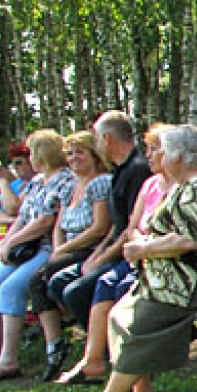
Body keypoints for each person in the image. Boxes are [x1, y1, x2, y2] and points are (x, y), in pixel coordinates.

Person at [63, 124, 197, 392]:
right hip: (174, 278)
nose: (156, 155)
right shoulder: (185, 186)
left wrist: (142, 250)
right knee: (117, 314)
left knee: (139, 324)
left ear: (179, 155)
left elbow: (188, 240)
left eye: (161, 149)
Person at [56, 123, 174, 386]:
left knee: (115, 290)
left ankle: (130, 372)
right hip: (135, 252)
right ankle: (95, 358)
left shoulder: (171, 184)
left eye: (155, 149)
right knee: (100, 283)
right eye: (149, 148)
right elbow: (127, 227)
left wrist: (131, 249)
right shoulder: (149, 183)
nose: (150, 155)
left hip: (161, 260)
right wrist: (115, 250)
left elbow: (181, 236)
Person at [48, 111, 151, 335]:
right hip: (113, 248)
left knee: (75, 292)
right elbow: (115, 225)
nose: (95, 145)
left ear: (107, 139)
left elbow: (130, 229)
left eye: (95, 139)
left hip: (129, 254)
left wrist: (101, 258)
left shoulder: (138, 170)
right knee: (57, 282)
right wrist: (96, 256)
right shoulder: (119, 171)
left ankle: (108, 350)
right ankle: (97, 338)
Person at [29, 130, 112, 381]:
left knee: (59, 281)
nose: (74, 158)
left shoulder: (101, 183)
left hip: (91, 248)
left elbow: (99, 227)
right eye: (70, 153)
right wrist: (58, 249)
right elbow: (59, 225)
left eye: (80, 152)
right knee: (37, 282)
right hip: (67, 248)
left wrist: (63, 251)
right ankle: (55, 346)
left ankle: (98, 347)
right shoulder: (71, 187)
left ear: (94, 155)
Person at [0, 130, 75, 381]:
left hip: (47, 246)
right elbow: (21, 216)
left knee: (11, 288)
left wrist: (14, 241)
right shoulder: (37, 182)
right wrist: (7, 243)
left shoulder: (64, 180)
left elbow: (44, 221)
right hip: (24, 248)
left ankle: (9, 359)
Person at [0, 141, 37, 244]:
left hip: (19, 239)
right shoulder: (17, 183)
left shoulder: (37, 184)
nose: (15, 167)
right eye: (13, 163)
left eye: (19, 163)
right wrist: (11, 220)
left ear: (32, 161)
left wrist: (3, 183)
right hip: (2, 234)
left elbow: (13, 208)